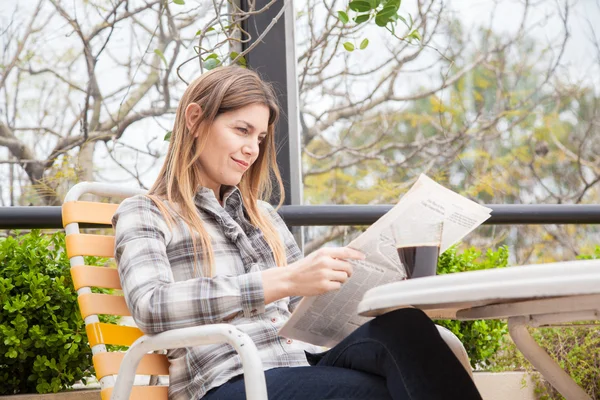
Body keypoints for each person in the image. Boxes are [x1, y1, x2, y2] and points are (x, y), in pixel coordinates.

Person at [113, 65, 483, 400]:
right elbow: (151, 307)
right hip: (229, 380)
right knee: (393, 390)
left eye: (259, 138)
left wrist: (366, 288)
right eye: (242, 130)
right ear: (195, 119)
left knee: (406, 328)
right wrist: (284, 279)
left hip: (299, 365)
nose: (251, 150)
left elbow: (303, 316)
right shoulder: (147, 212)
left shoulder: (264, 218)